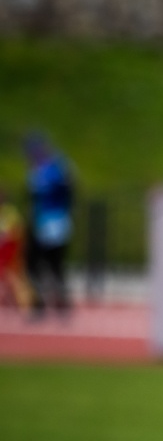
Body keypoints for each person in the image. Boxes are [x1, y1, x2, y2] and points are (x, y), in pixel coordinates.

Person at [23, 133, 73, 316]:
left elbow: (66, 192)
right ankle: (43, 302)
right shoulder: (39, 171)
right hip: (43, 222)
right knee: (36, 264)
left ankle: (57, 303)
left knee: (51, 264)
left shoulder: (55, 170)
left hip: (53, 222)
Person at [0, 186, 34, 310]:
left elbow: (18, 232)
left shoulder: (9, 213)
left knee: (16, 279)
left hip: (11, 253)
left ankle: (27, 306)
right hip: (4, 253)